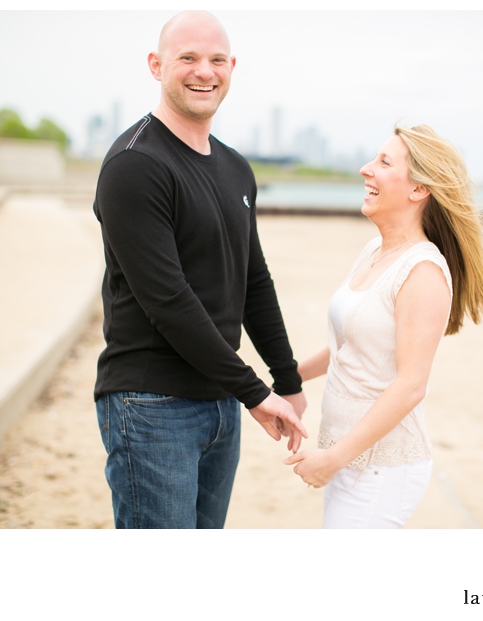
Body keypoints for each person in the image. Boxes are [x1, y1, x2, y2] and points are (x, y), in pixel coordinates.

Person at [93, 10, 307, 529]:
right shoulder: (135, 164)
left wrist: (287, 377)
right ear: (156, 65)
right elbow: (168, 299)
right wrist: (256, 392)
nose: (203, 72)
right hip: (151, 403)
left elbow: (253, 279)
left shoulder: (235, 166)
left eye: (216, 60)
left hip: (219, 400)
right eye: (187, 58)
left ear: (232, 67)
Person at [284, 123, 483, 528]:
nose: (366, 169)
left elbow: (411, 386)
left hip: (380, 469)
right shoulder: (375, 251)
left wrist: (331, 460)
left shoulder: (423, 271)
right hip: (349, 456)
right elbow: (351, 343)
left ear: (419, 190)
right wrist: (286, 380)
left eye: (383, 162)